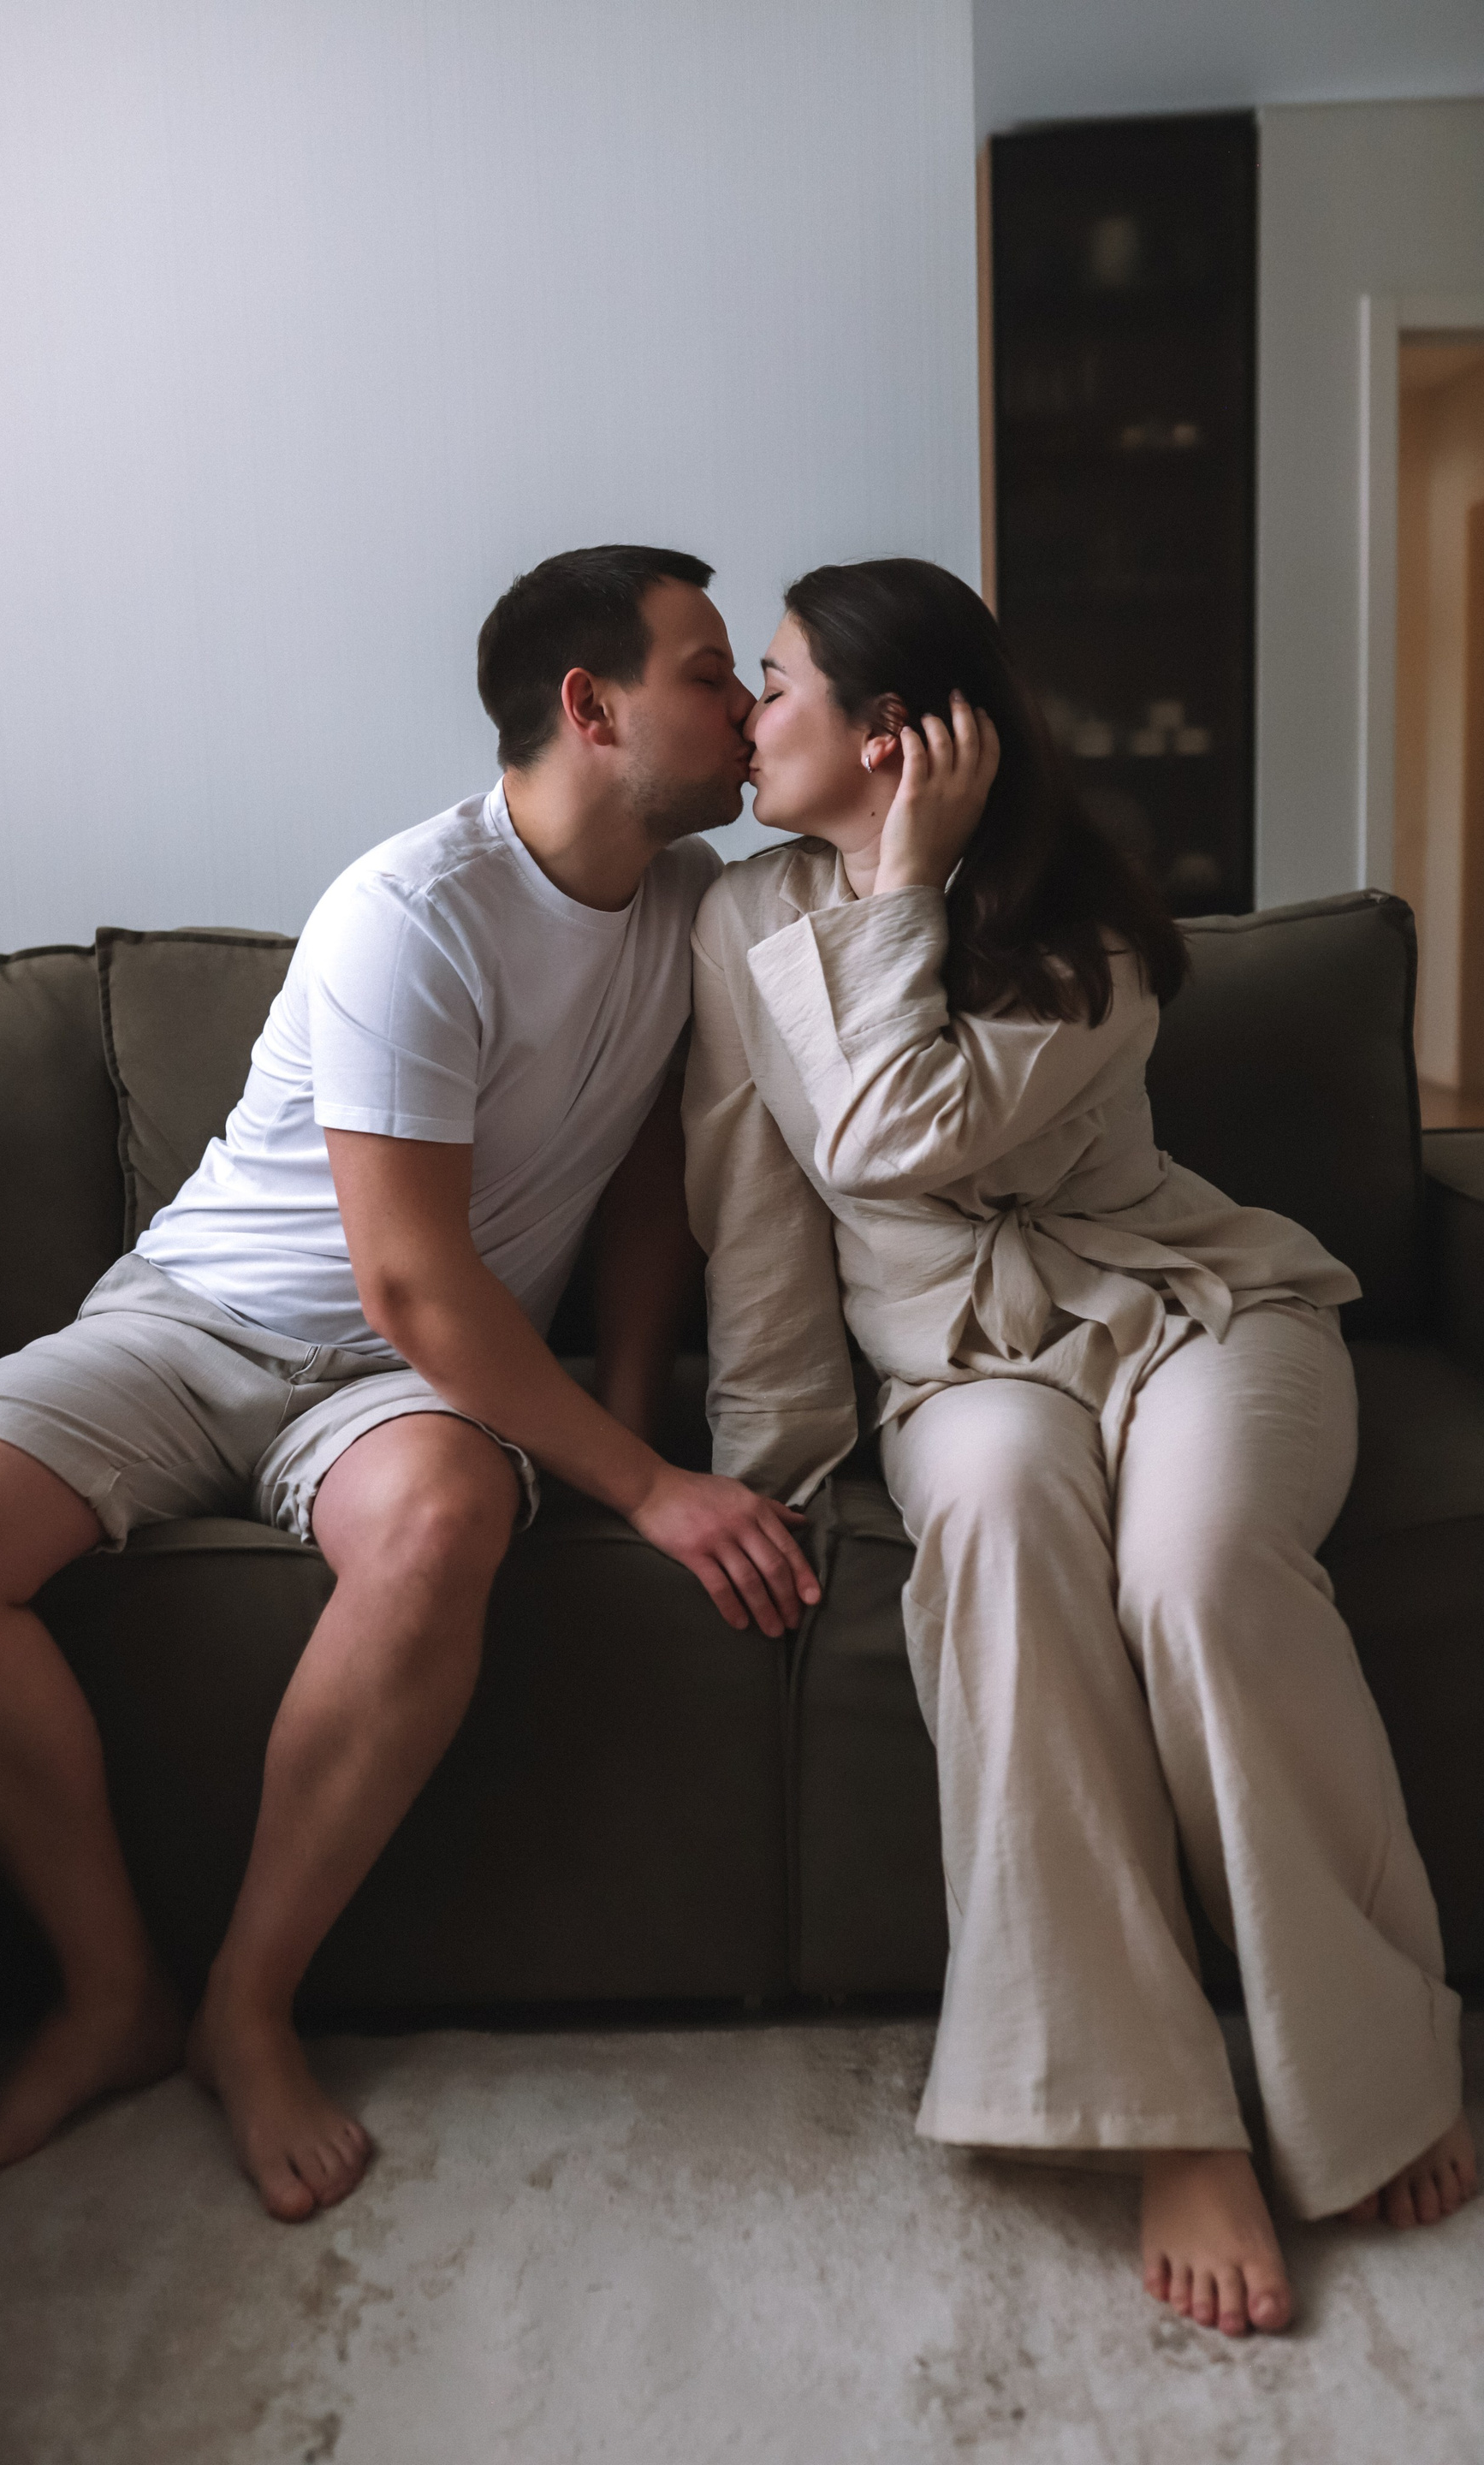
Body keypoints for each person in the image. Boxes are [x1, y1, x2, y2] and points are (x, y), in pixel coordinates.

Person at [0, 543, 819, 2223]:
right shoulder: (415, 909)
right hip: (194, 1319)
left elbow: (649, 1183)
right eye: (710, 673)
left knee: (440, 1523)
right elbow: (409, 1277)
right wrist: (651, 1492)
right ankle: (109, 1996)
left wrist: (634, 1407)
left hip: (399, 1392)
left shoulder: (692, 912)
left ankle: (246, 2004)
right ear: (591, 708)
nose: (747, 708)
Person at [682, 555, 1477, 2338]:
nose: (750, 713)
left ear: (892, 736)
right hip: (960, 1369)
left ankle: (1369, 2053)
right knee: (1001, 1537)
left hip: (1188, 1308)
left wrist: (902, 884)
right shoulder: (732, 919)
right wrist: (767, 1462)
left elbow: (890, 1135)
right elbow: (759, 1204)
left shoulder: (1081, 927)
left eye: (780, 681)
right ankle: (1158, 2113)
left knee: (1195, 1577)